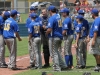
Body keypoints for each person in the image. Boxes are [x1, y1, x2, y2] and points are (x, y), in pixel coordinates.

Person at [45, 5, 67, 71]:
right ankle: (63, 65)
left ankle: (56, 68)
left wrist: (46, 33)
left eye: (49, 11)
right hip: (60, 36)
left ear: (50, 11)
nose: (48, 12)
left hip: (54, 37)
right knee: (57, 52)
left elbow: (49, 29)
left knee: (53, 53)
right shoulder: (58, 17)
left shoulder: (52, 18)